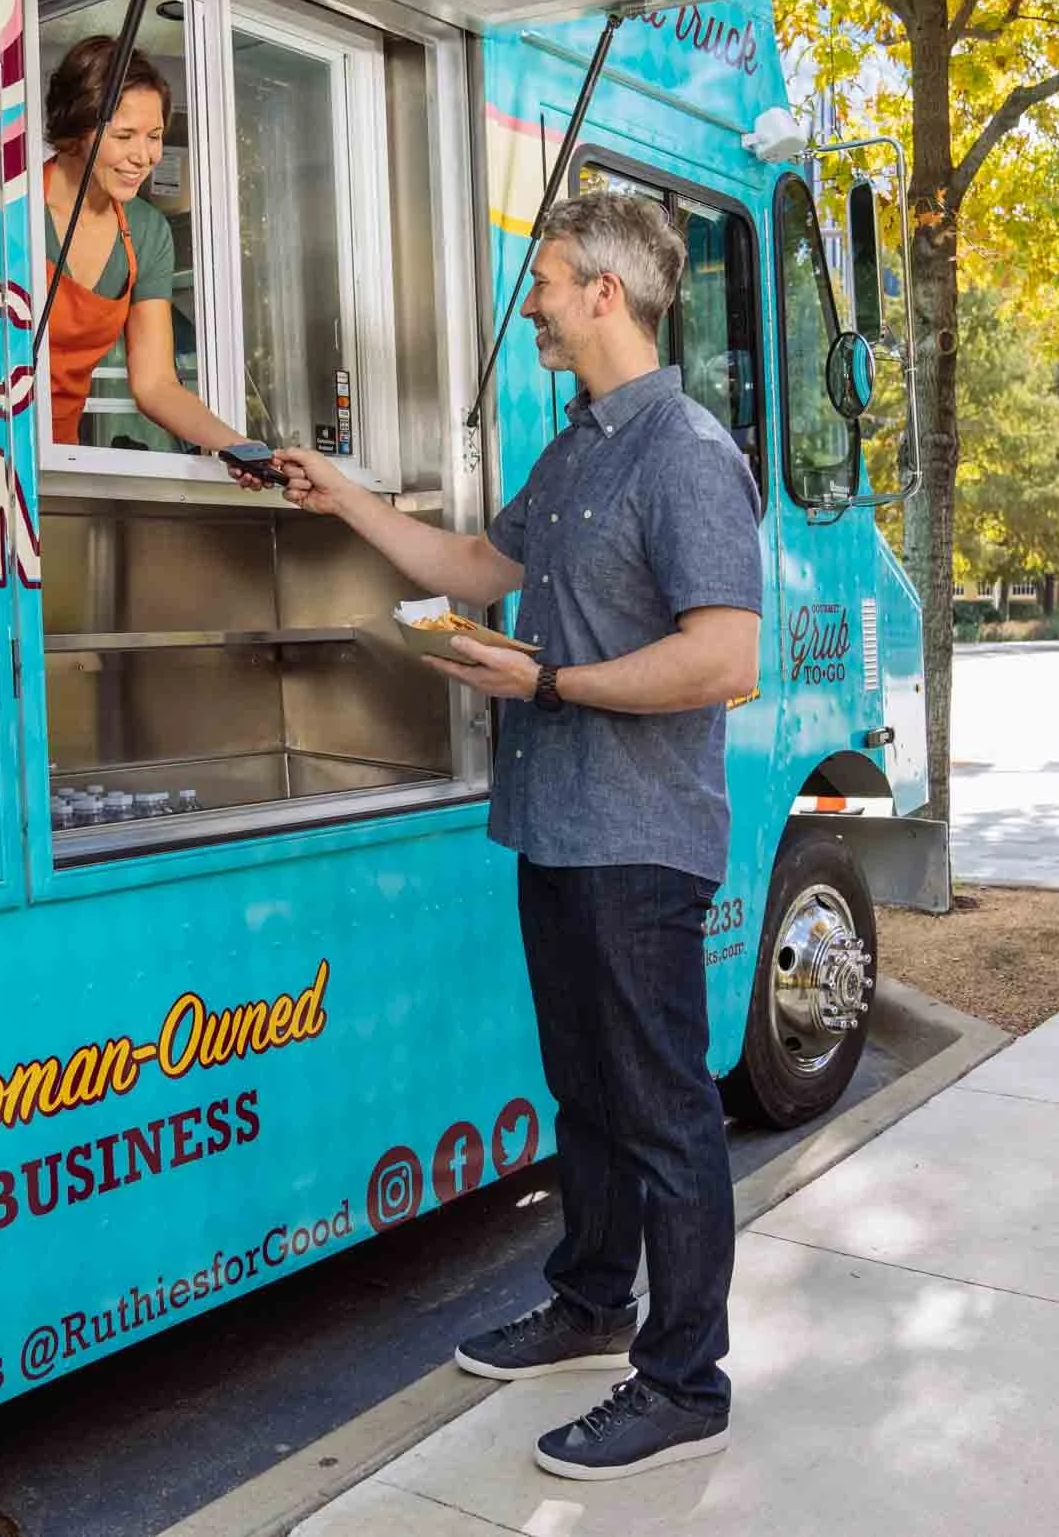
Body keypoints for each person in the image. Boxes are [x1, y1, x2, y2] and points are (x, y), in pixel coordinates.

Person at [273, 190, 763, 1480]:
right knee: (587, 1091)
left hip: (640, 838)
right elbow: (474, 567)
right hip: (555, 826)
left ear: (605, 291)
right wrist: (343, 498)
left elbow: (721, 658)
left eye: (544, 280)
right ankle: (595, 1302)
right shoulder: (574, 450)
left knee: (662, 1111)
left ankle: (684, 1377)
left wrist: (546, 682)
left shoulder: (688, 452)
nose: (530, 301)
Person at [35, 36, 261, 470]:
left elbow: (156, 383)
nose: (144, 156)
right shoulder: (9, 209)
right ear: (74, 133)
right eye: (124, 136)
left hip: (58, 459)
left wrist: (240, 448)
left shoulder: (145, 231)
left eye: (155, 136)